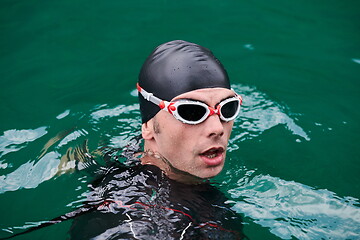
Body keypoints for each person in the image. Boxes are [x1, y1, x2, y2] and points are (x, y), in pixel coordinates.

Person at [69, 40, 246, 239]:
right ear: (148, 126)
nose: (217, 128)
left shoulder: (123, 158)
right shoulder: (133, 221)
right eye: (192, 111)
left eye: (227, 108)